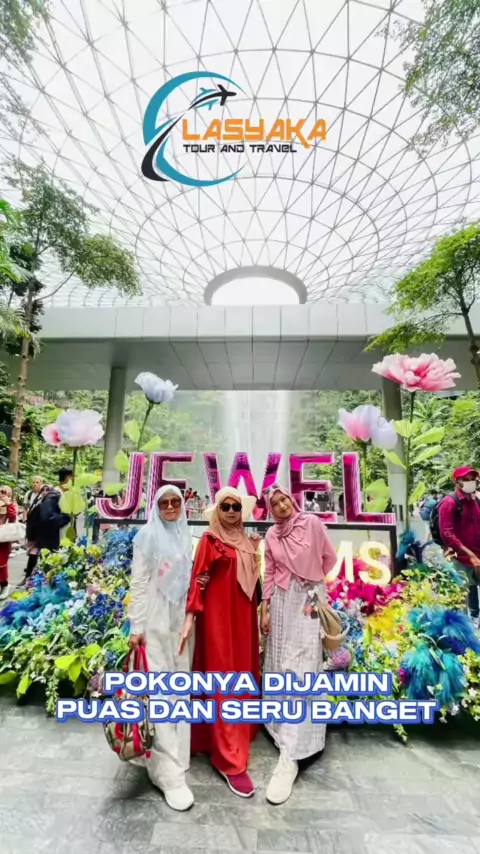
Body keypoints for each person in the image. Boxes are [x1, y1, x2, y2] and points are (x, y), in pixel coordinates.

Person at [179, 487, 261, 798]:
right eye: (225, 507)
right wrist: (190, 617)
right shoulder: (210, 540)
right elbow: (197, 579)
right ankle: (229, 759)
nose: (230, 512)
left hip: (243, 618)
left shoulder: (246, 541)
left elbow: (254, 582)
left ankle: (234, 731)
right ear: (217, 511)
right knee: (222, 676)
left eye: (235, 507)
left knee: (242, 674)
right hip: (218, 617)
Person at [261, 484, 338, 805]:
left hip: (308, 598)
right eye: (275, 504)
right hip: (281, 601)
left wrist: (312, 580)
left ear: (292, 501)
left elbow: (329, 557)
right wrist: (265, 606)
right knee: (280, 662)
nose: (281, 506)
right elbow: (269, 570)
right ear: (270, 509)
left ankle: (292, 752)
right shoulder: (271, 535)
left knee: (303, 665)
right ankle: (278, 728)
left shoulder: (312, 523)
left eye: (284, 500)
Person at [128, 486, 195, 811]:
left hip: (180, 619)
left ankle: (178, 754)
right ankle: (165, 771)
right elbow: (139, 582)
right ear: (155, 506)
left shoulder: (185, 534)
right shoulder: (147, 536)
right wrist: (136, 627)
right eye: (164, 502)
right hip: (154, 617)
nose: (170, 507)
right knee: (159, 689)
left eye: (175, 502)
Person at [438, 467, 480, 621]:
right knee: (460, 599)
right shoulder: (449, 502)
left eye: (472, 479)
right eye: (465, 479)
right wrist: (470, 555)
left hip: (477, 557)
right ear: (456, 482)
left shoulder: (475, 501)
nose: (470, 482)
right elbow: (447, 533)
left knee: (472, 591)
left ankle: (474, 620)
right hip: (459, 559)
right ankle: (463, 630)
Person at [0, 486, 17, 600]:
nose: (2, 493)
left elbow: (12, 518)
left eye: (5, 492)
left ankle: (4, 585)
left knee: (1, 564)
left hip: (3, 539)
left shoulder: (11, 505)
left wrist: (8, 504)